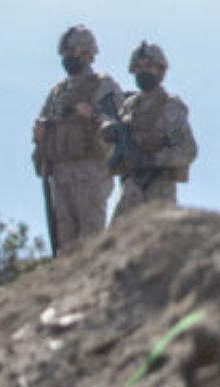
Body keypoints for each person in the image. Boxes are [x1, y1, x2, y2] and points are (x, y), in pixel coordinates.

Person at [34, 25, 122, 255]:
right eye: (64, 53)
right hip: (61, 174)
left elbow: (117, 128)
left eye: (71, 52)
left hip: (91, 171)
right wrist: (40, 145)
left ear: (87, 54)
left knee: (92, 243)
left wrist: (93, 115)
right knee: (66, 246)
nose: (67, 58)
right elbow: (44, 130)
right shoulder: (57, 92)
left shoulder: (103, 85)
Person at [103, 42, 198, 220]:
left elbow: (188, 150)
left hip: (158, 190)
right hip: (130, 190)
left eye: (148, 66)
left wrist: (151, 159)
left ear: (161, 71)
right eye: (138, 67)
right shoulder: (130, 106)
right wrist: (110, 132)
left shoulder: (170, 106)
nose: (142, 71)